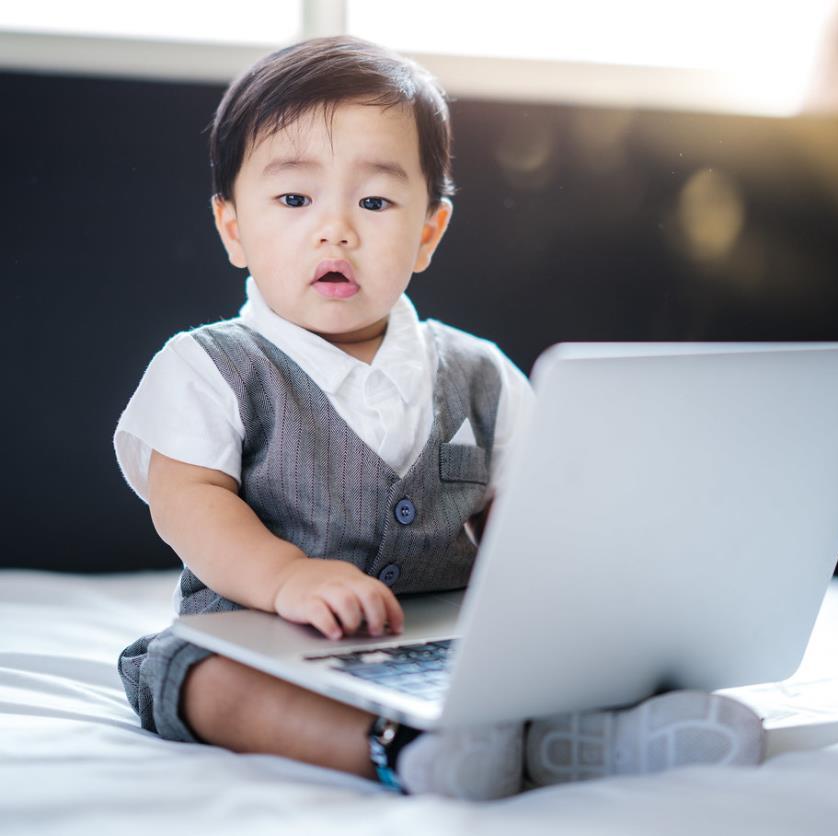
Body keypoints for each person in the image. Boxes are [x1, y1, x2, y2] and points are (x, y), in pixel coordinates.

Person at [114, 35, 765, 801]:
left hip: (443, 645)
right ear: (233, 229)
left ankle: (588, 736)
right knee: (197, 681)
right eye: (294, 199)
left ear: (428, 232)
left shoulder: (480, 374)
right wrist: (286, 578)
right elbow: (187, 501)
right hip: (263, 635)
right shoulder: (211, 366)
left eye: (376, 201)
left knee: (551, 650)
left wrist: (586, 621)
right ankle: (399, 749)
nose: (337, 230)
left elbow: (526, 525)